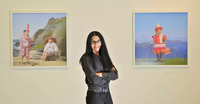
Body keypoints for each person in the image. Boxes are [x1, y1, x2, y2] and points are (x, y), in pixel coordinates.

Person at [79, 31, 118, 104]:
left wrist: (102, 75)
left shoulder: (105, 57)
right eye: (93, 42)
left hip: (107, 95)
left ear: (101, 42)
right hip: (95, 95)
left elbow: (115, 75)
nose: (96, 44)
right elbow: (94, 80)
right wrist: (108, 77)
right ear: (89, 43)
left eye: (98, 41)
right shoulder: (86, 58)